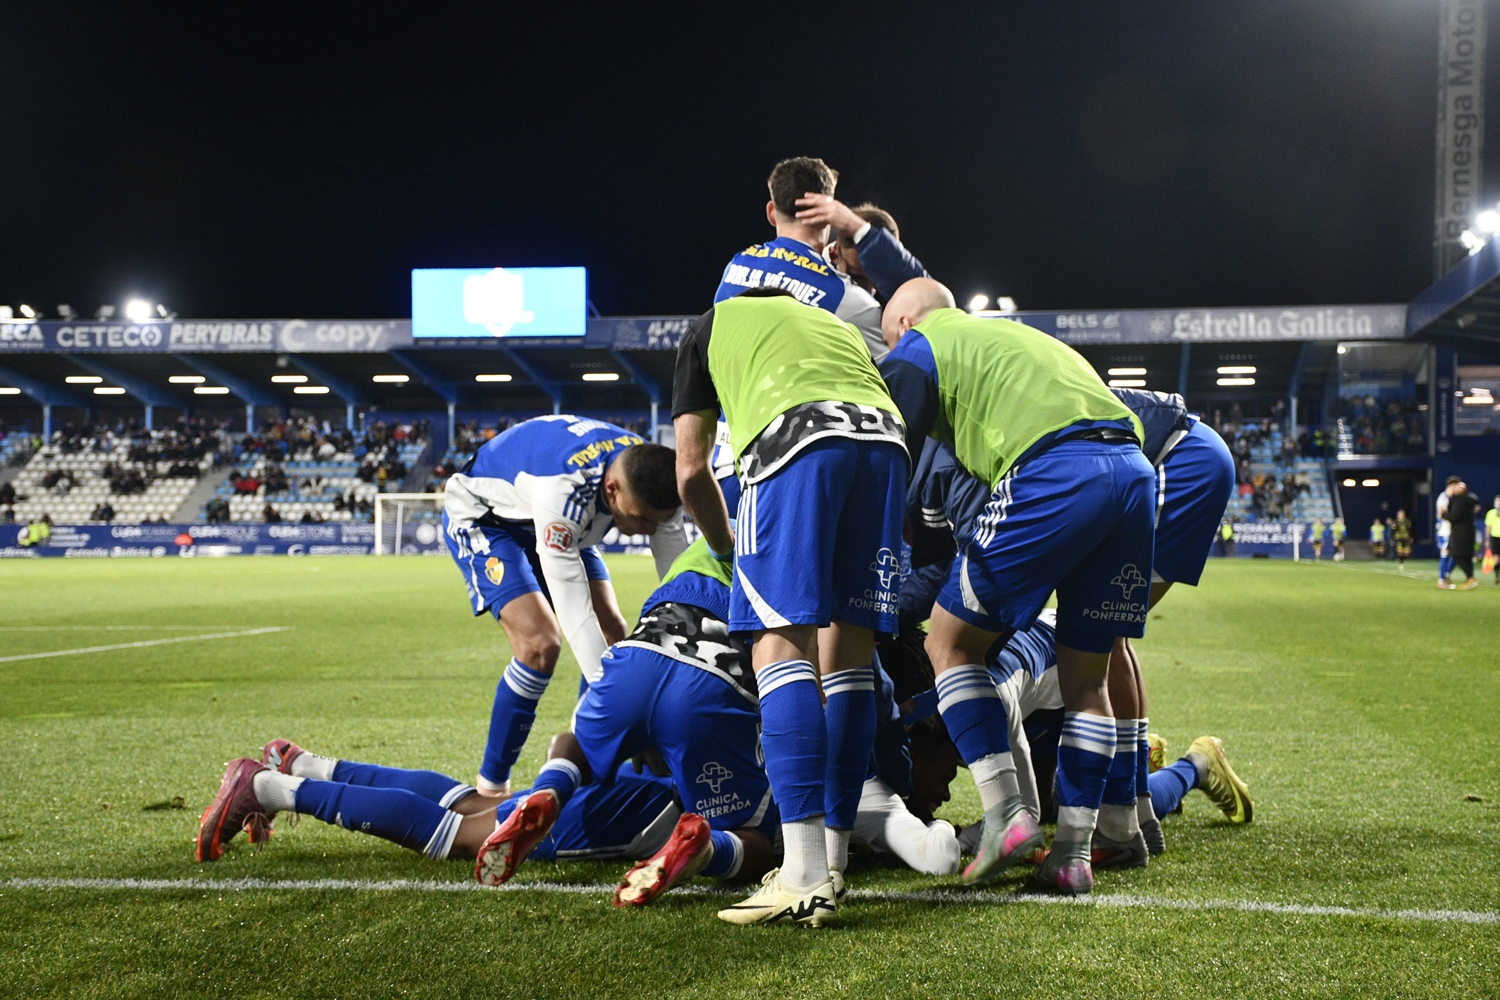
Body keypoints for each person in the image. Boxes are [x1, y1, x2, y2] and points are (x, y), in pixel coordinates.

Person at [880, 277, 1155, 896]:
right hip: (1132, 474)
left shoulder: (918, 347)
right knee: (1087, 677)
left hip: (1053, 469)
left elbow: (887, 466)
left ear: (903, 323)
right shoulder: (1012, 338)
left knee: (949, 645)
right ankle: (1074, 855)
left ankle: (1008, 813)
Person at [673, 287, 908, 927]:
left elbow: (691, 472)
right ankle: (832, 859)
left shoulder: (710, 323)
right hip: (887, 444)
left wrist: (728, 551)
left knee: (780, 645)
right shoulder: (826, 322)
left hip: (797, 439)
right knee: (850, 656)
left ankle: (802, 872)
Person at [442, 415, 688, 798]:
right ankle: (491, 790)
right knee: (540, 645)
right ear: (612, 490)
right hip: (489, 518)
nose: (649, 532)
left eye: (658, 522)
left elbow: (679, 585)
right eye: (641, 520)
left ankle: (584, 767)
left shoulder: (648, 471)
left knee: (612, 634)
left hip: (564, 524)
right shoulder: (563, 491)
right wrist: (623, 712)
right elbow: (575, 615)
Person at [713, 157, 888, 360]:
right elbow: (898, 377)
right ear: (829, 215)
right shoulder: (847, 297)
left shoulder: (735, 268)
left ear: (771, 212)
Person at [1442, 476, 1481, 590]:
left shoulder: (1460, 502)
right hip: (1469, 531)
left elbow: (1454, 517)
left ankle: (1470, 577)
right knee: (1467, 556)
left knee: (1456, 555)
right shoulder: (1469, 500)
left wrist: (1443, 514)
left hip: (1460, 533)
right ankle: (1470, 579)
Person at [1485, 496, 1500, 585]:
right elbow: (1488, 527)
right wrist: (1487, 539)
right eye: (1497, 501)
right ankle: (1496, 576)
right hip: (1495, 537)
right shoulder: (1491, 513)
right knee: (1496, 559)